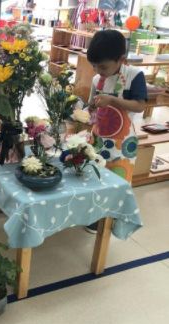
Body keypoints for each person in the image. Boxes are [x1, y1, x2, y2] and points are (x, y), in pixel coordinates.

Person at [85, 29, 147, 233]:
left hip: (122, 143)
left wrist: (113, 100)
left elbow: (139, 106)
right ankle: (94, 217)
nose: (97, 70)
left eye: (102, 66)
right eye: (93, 65)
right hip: (98, 137)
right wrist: (89, 109)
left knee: (117, 181)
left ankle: (112, 220)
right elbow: (91, 106)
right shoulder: (97, 80)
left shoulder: (134, 76)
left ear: (121, 59)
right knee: (96, 177)